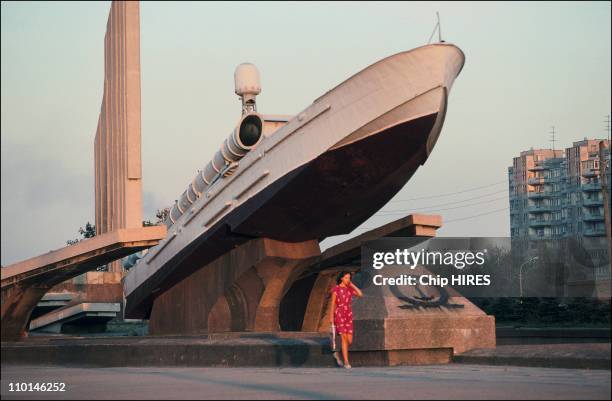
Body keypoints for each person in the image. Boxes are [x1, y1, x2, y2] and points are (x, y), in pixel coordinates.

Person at [329, 271, 363, 369]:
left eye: (349, 278)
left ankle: (337, 353)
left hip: (348, 313)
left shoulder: (349, 289)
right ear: (341, 278)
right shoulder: (336, 289)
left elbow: (360, 294)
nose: (348, 280)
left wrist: (352, 285)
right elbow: (332, 305)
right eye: (346, 278)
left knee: (349, 341)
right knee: (344, 338)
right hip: (339, 313)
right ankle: (346, 362)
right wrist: (331, 318)